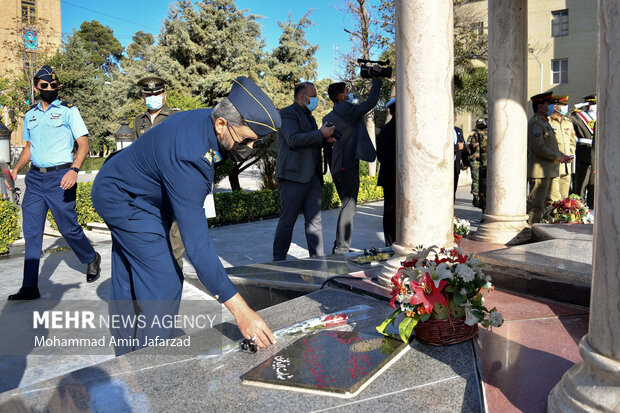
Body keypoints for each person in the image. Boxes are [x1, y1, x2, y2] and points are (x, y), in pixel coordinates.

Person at [91, 76, 280, 354]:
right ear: (221, 125)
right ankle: (151, 364)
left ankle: (125, 355)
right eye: (247, 139)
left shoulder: (210, 120)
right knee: (165, 282)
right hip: (126, 200)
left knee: (129, 275)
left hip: (126, 187)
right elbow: (198, 245)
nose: (250, 147)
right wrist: (241, 311)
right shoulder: (190, 157)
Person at [6, 65, 100, 300]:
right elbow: (29, 148)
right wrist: (16, 169)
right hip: (35, 179)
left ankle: (90, 257)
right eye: (45, 86)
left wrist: (74, 170)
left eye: (54, 86)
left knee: (67, 227)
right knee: (32, 232)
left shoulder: (69, 111)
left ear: (58, 87)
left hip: (61, 176)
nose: (50, 89)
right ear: (36, 87)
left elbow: (84, 143)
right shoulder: (30, 114)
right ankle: (29, 286)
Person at [273, 82, 336, 261]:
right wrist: (320, 134)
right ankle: (278, 262)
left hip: (312, 178)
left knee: (315, 223)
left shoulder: (310, 117)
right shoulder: (286, 113)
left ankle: (318, 262)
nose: (316, 99)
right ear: (303, 97)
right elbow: (293, 139)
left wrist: (326, 139)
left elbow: (310, 141)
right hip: (292, 176)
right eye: (314, 95)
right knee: (287, 222)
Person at [323, 73, 382, 254]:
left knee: (346, 206)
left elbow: (326, 145)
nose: (349, 92)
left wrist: (329, 168)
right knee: (349, 207)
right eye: (346, 90)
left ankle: (339, 246)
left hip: (336, 168)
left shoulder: (328, 117)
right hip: (347, 165)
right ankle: (341, 248)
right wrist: (377, 79)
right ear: (340, 96)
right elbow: (370, 102)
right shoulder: (348, 111)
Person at [132, 76, 185, 269]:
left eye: (156, 93)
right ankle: (157, 271)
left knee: (175, 230)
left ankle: (175, 269)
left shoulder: (176, 118)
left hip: (171, 180)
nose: (152, 96)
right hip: (148, 184)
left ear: (164, 95)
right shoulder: (139, 121)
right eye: (148, 94)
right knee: (152, 228)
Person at [526, 91, 573, 224]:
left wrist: (562, 155)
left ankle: (542, 228)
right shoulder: (535, 123)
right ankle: (530, 229)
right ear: (540, 106)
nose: (551, 107)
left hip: (549, 170)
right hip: (539, 172)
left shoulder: (544, 122)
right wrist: (559, 157)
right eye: (549, 104)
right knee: (536, 205)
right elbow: (539, 148)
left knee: (549, 204)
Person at [570, 94, 597, 209]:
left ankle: (592, 211)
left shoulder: (603, 116)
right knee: (581, 185)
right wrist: (576, 106)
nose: (594, 106)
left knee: (594, 187)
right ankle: (578, 210)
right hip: (583, 153)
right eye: (592, 103)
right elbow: (564, 116)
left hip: (597, 155)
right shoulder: (578, 116)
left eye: (595, 103)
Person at [548, 95, 576, 202]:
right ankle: (550, 219)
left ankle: (561, 219)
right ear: (555, 106)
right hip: (554, 165)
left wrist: (570, 155)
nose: (566, 107)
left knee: (564, 199)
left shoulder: (568, 122)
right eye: (563, 105)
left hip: (566, 166)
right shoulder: (548, 121)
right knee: (553, 199)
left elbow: (572, 142)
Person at [376, 97, 396, 246]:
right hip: (399, 176)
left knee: (389, 211)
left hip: (388, 175)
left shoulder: (385, 129)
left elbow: (380, 156)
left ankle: (389, 243)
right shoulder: (404, 128)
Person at [466, 118, 488, 211]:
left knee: (477, 180)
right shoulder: (478, 134)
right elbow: (468, 146)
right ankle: (477, 198)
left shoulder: (474, 134)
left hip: (478, 161)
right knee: (478, 180)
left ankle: (478, 197)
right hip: (479, 161)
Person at [454, 114, 466, 196]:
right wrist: (457, 147)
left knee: (453, 190)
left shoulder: (458, 130)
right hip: (444, 166)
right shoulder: (442, 130)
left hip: (456, 165)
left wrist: (465, 162)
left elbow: (463, 146)